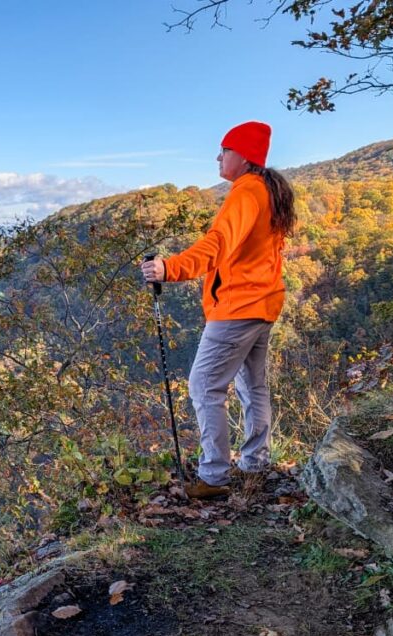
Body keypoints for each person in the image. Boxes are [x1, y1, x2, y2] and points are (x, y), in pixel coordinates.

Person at [141, 121, 296, 500]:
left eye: (224, 150)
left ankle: (213, 476)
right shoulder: (266, 192)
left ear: (242, 157)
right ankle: (255, 464)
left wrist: (169, 268)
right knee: (252, 385)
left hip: (237, 308)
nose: (218, 156)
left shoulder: (246, 193)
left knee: (204, 385)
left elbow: (217, 244)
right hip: (262, 305)